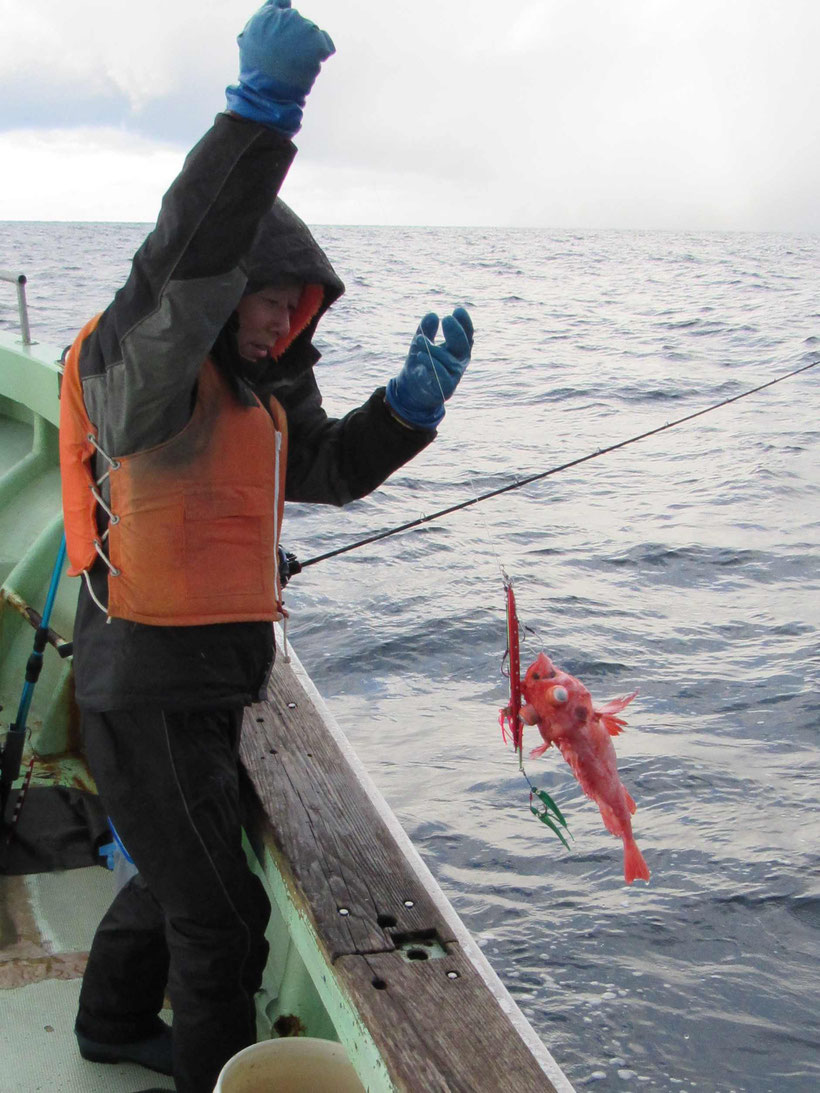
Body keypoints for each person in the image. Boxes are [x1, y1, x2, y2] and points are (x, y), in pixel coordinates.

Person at [57, 2, 473, 1091]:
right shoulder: (142, 374)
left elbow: (325, 469)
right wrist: (258, 119)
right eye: (262, 302)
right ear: (225, 295)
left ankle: (106, 1027)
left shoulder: (264, 386)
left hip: (206, 680)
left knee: (177, 869)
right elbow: (178, 263)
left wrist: (407, 412)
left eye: (296, 310)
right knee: (222, 916)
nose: (277, 323)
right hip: (141, 686)